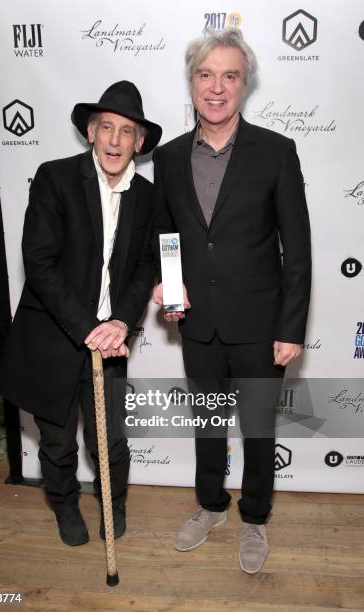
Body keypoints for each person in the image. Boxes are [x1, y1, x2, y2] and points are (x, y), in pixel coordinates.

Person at [153, 29, 311, 573]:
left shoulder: (276, 152)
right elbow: (165, 237)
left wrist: (290, 329)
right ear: (192, 82)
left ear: (245, 85)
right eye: (206, 75)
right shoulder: (169, 157)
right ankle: (211, 506)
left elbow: (299, 249)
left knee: (260, 429)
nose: (216, 87)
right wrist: (164, 287)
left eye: (230, 76)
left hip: (261, 325)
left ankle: (255, 518)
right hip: (198, 325)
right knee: (208, 423)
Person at [0, 81, 162, 546]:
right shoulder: (55, 178)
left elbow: (146, 265)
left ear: (140, 142)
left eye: (126, 131)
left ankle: (115, 501)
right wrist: (88, 326)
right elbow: (40, 262)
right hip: (55, 336)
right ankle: (65, 504)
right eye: (106, 127)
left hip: (110, 341)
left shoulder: (148, 197)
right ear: (90, 133)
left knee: (109, 440)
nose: (115, 139)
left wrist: (119, 323)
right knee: (57, 442)